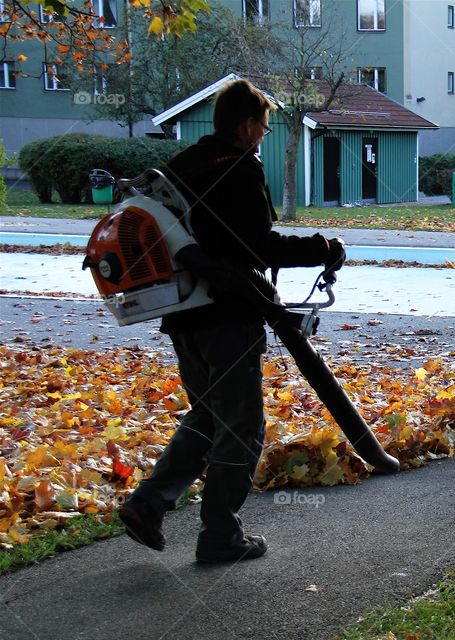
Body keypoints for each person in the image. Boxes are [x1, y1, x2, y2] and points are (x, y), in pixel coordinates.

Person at [118, 79, 345, 563]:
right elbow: (255, 247)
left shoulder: (181, 165)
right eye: (262, 127)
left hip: (180, 315)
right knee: (240, 426)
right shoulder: (239, 170)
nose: (262, 135)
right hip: (226, 317)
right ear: (246, 126)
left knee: (207, 416)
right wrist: (321, 249)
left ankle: (148, 504)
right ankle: (220, 535)